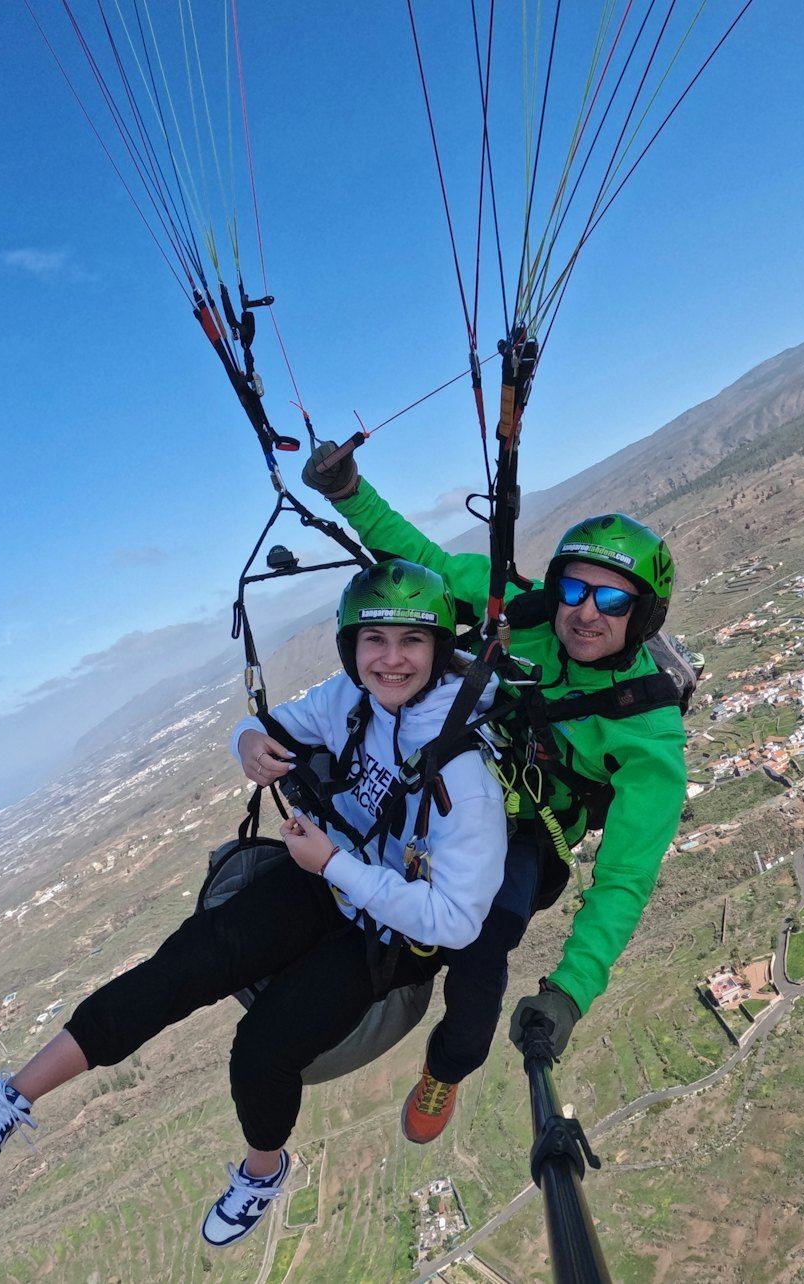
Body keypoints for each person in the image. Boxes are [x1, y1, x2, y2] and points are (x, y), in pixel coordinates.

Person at [0, 559, 507, 1247]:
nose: (390, 660)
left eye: (410, 642)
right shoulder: (352, 701)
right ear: (351, 648)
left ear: (439, 649)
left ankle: (263, 1171)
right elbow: (268, 725)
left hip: (390, 936)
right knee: (184, 963)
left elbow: (456, 919)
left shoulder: (463, 775)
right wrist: (250, 746)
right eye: (373, 641)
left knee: (260, 1051)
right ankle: (13, 1096)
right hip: (324, 879)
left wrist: (332, 862)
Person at [302, 442, 687, 1145]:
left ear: (644, 615)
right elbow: (424, 563)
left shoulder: (648, 736)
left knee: (481, 953)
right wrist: (350, 492)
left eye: (612, 600)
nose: (585, 614)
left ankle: (448, 1065)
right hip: (455, 775)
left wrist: (570, 993)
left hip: (528, 833)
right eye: (575, 589)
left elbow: (625, 880)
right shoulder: (522, 614)